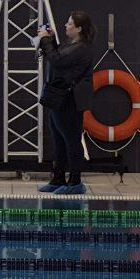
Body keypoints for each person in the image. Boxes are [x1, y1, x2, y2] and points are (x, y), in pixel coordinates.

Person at [38, 10, 96, 195]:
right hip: (59, 98)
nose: (66, 25)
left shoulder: (82, 48)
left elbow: (57, 60)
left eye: (70, 23)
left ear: (79, 29)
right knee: (58, 140)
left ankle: (75, 182)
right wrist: (51, 40)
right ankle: (58, 178)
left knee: (71, 140)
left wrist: (45, 40)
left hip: (70, 100)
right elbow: (58, 56)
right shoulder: (71, 44)